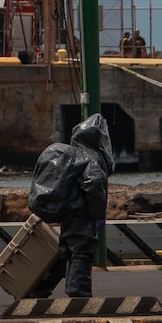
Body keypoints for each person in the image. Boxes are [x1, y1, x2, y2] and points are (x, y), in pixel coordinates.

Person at [28, 113, 114, 298]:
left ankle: (71, 290)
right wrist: (99, 214)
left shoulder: (72, 155)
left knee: (70, 252)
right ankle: (78, 293)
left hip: (68, 214)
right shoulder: (90, 157)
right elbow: (94, 185)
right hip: (81, 215)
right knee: (83, 252)